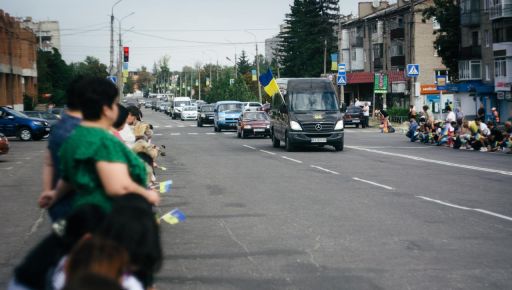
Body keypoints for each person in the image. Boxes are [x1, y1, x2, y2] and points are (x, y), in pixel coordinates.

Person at [38, 77, 159, 214]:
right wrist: (147, 194)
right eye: (114, 104)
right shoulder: (103, 141)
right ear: (106, 109)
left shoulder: (74, 137)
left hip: (83, 213)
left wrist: (55, 194)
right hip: (108, 216)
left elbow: (68, 177)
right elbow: (117, 186)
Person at [41, 76, 84, 222]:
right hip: (80, 207)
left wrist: (48, 191)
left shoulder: (59, 125)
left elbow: (49, 162)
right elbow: (74, 174)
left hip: (59, 207)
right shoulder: (83, 129)